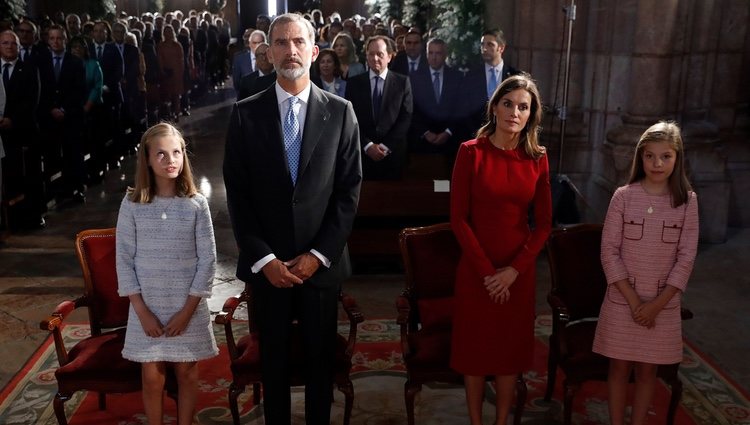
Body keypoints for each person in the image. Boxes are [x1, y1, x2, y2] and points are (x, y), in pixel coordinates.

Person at [223, 13, 362, 425]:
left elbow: (348, 193)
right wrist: (266, 260)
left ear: (315, 51)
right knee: (275, 365)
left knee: (321, 364)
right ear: (268, 51)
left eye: (299, 42)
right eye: (281, 43)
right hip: (269, 269)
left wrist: (318, 255)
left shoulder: (340, 112)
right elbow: (239, 197)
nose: (290, 50)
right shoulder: (246, 114)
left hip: (320, 267)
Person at [450, 73, 552, 425]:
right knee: (476, 353)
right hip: (477, 271)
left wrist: (512, 271)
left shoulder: (537, 158)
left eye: (523, 107)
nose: (514, 112)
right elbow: (458, 219)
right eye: (508, 104)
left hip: (517, 273)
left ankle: (501, 421)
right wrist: (487, 272)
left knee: (509, 354)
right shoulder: (470, 153)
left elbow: (545, 225)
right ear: (494, 107)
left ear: (531, 115)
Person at [592, 121, 699, 425]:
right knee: (618, 368)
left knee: (647, 372)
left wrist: (655, 305)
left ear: (677, 159)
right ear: (640, 158)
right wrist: (635, 302)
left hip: (662, 307)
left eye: (666, 156)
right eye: (650, 156)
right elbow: (609, 252)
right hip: (622, 302)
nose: (657, 163)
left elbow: (686, 258)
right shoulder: (623, 196)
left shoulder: (687, 202)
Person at [116, 122, 219, 425]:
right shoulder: (133, 204)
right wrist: (141, 311)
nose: (170, 160)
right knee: (151, 375)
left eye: (176, 153)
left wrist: (187, 312)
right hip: (146, 305)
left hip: (186, 304)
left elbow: (208, 259)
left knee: (186, 371)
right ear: (147, 159)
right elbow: (124, 259)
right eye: (161, 154)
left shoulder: (196, 203)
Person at [345, 35, 412, 180]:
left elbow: (405, 117)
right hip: (363, 156)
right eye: (371, 54)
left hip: (393, 155)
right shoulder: (354, 83)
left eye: (380, 54)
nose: (375, 58)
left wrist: (386, 146)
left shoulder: (402, 82)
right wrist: (367, 145)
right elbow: (350, 119)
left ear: (389, 57)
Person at [463, 29, 519, 139]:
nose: (484, 49)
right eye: (482, 44)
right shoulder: (470, 76)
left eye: (490, 45)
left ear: (501, 48)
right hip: (476, 135)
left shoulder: (514, 76)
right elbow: (464, 109)